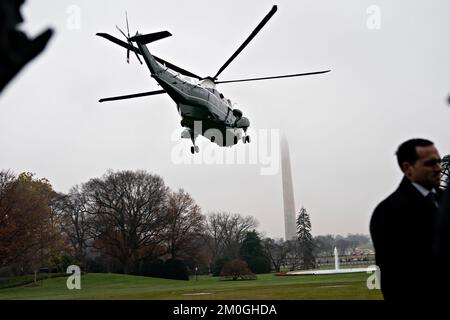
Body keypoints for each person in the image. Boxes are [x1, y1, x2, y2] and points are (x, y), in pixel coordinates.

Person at [370, 138, 443, 301]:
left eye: (438, 161)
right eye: (430, 163)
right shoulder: (388, 212)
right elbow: (394, 280)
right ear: (407, 168)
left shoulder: (444, 200)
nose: (438, 168)